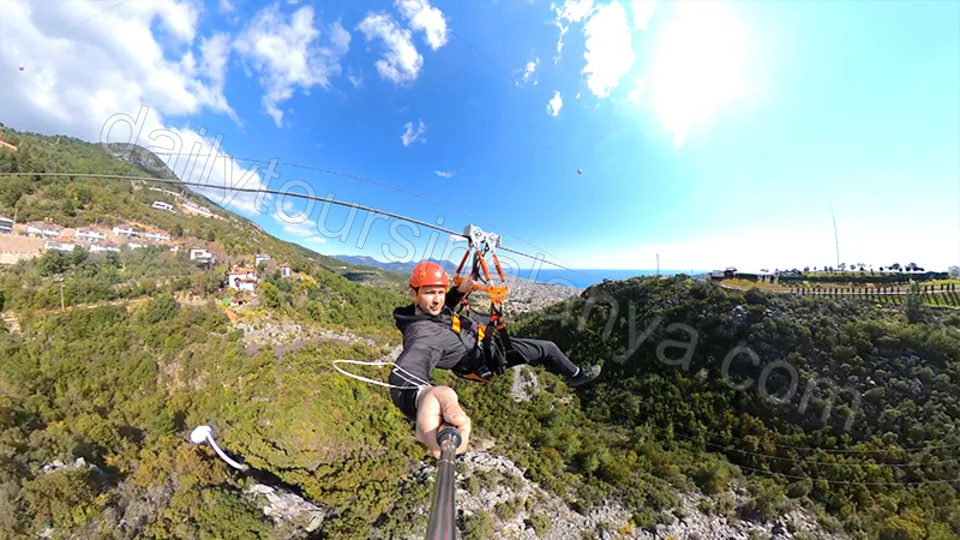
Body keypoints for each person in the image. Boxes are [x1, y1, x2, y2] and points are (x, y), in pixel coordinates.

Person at [388, 261, 601, 458]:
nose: (437, 299)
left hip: (485, 343)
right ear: (413, 293)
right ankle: (575, 375)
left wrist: (457, 292)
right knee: (548, 349)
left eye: (440, 292)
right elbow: (406, 373)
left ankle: (558, 369)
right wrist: (423, 396)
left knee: (543, 350)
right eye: (429, 293)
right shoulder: (423, 335)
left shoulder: (425, 311)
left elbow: (444, 307)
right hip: (488, 358)